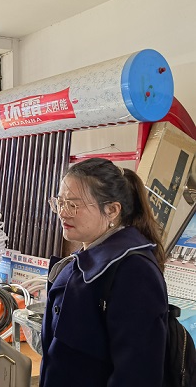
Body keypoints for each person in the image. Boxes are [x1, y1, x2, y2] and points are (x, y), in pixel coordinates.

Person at [40, 158, 168, 387]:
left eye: (73, 205)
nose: (63, 213)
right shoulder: (87, 256)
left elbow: (137, 375)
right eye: (60, 202)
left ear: (112, 210)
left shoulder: (134, 272)